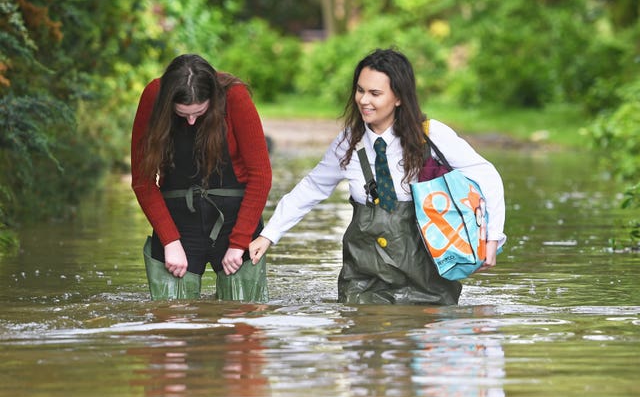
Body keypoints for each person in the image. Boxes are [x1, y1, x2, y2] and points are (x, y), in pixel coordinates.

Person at [249, 48, 506, 305]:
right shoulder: (348, 143)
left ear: (399, 98)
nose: (363, 100)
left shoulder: (431, 135)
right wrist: (269, 234)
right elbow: (311, 189)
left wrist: (491, 239)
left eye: (375, 93)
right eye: (360, 90)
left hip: (428, 282)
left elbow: (487, 175)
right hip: (362, 282)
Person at [131, 54, 272, 300]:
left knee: (243, 320)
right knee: (169, 320)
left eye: (199, 112)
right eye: (183, 114)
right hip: (177, 222)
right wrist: (170, 241)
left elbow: (261, 176)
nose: (192, 121)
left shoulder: (235, 97)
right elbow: (142, 181)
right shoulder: (153, 97)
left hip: (235, 221)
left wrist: (239, 243)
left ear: (213, 98)